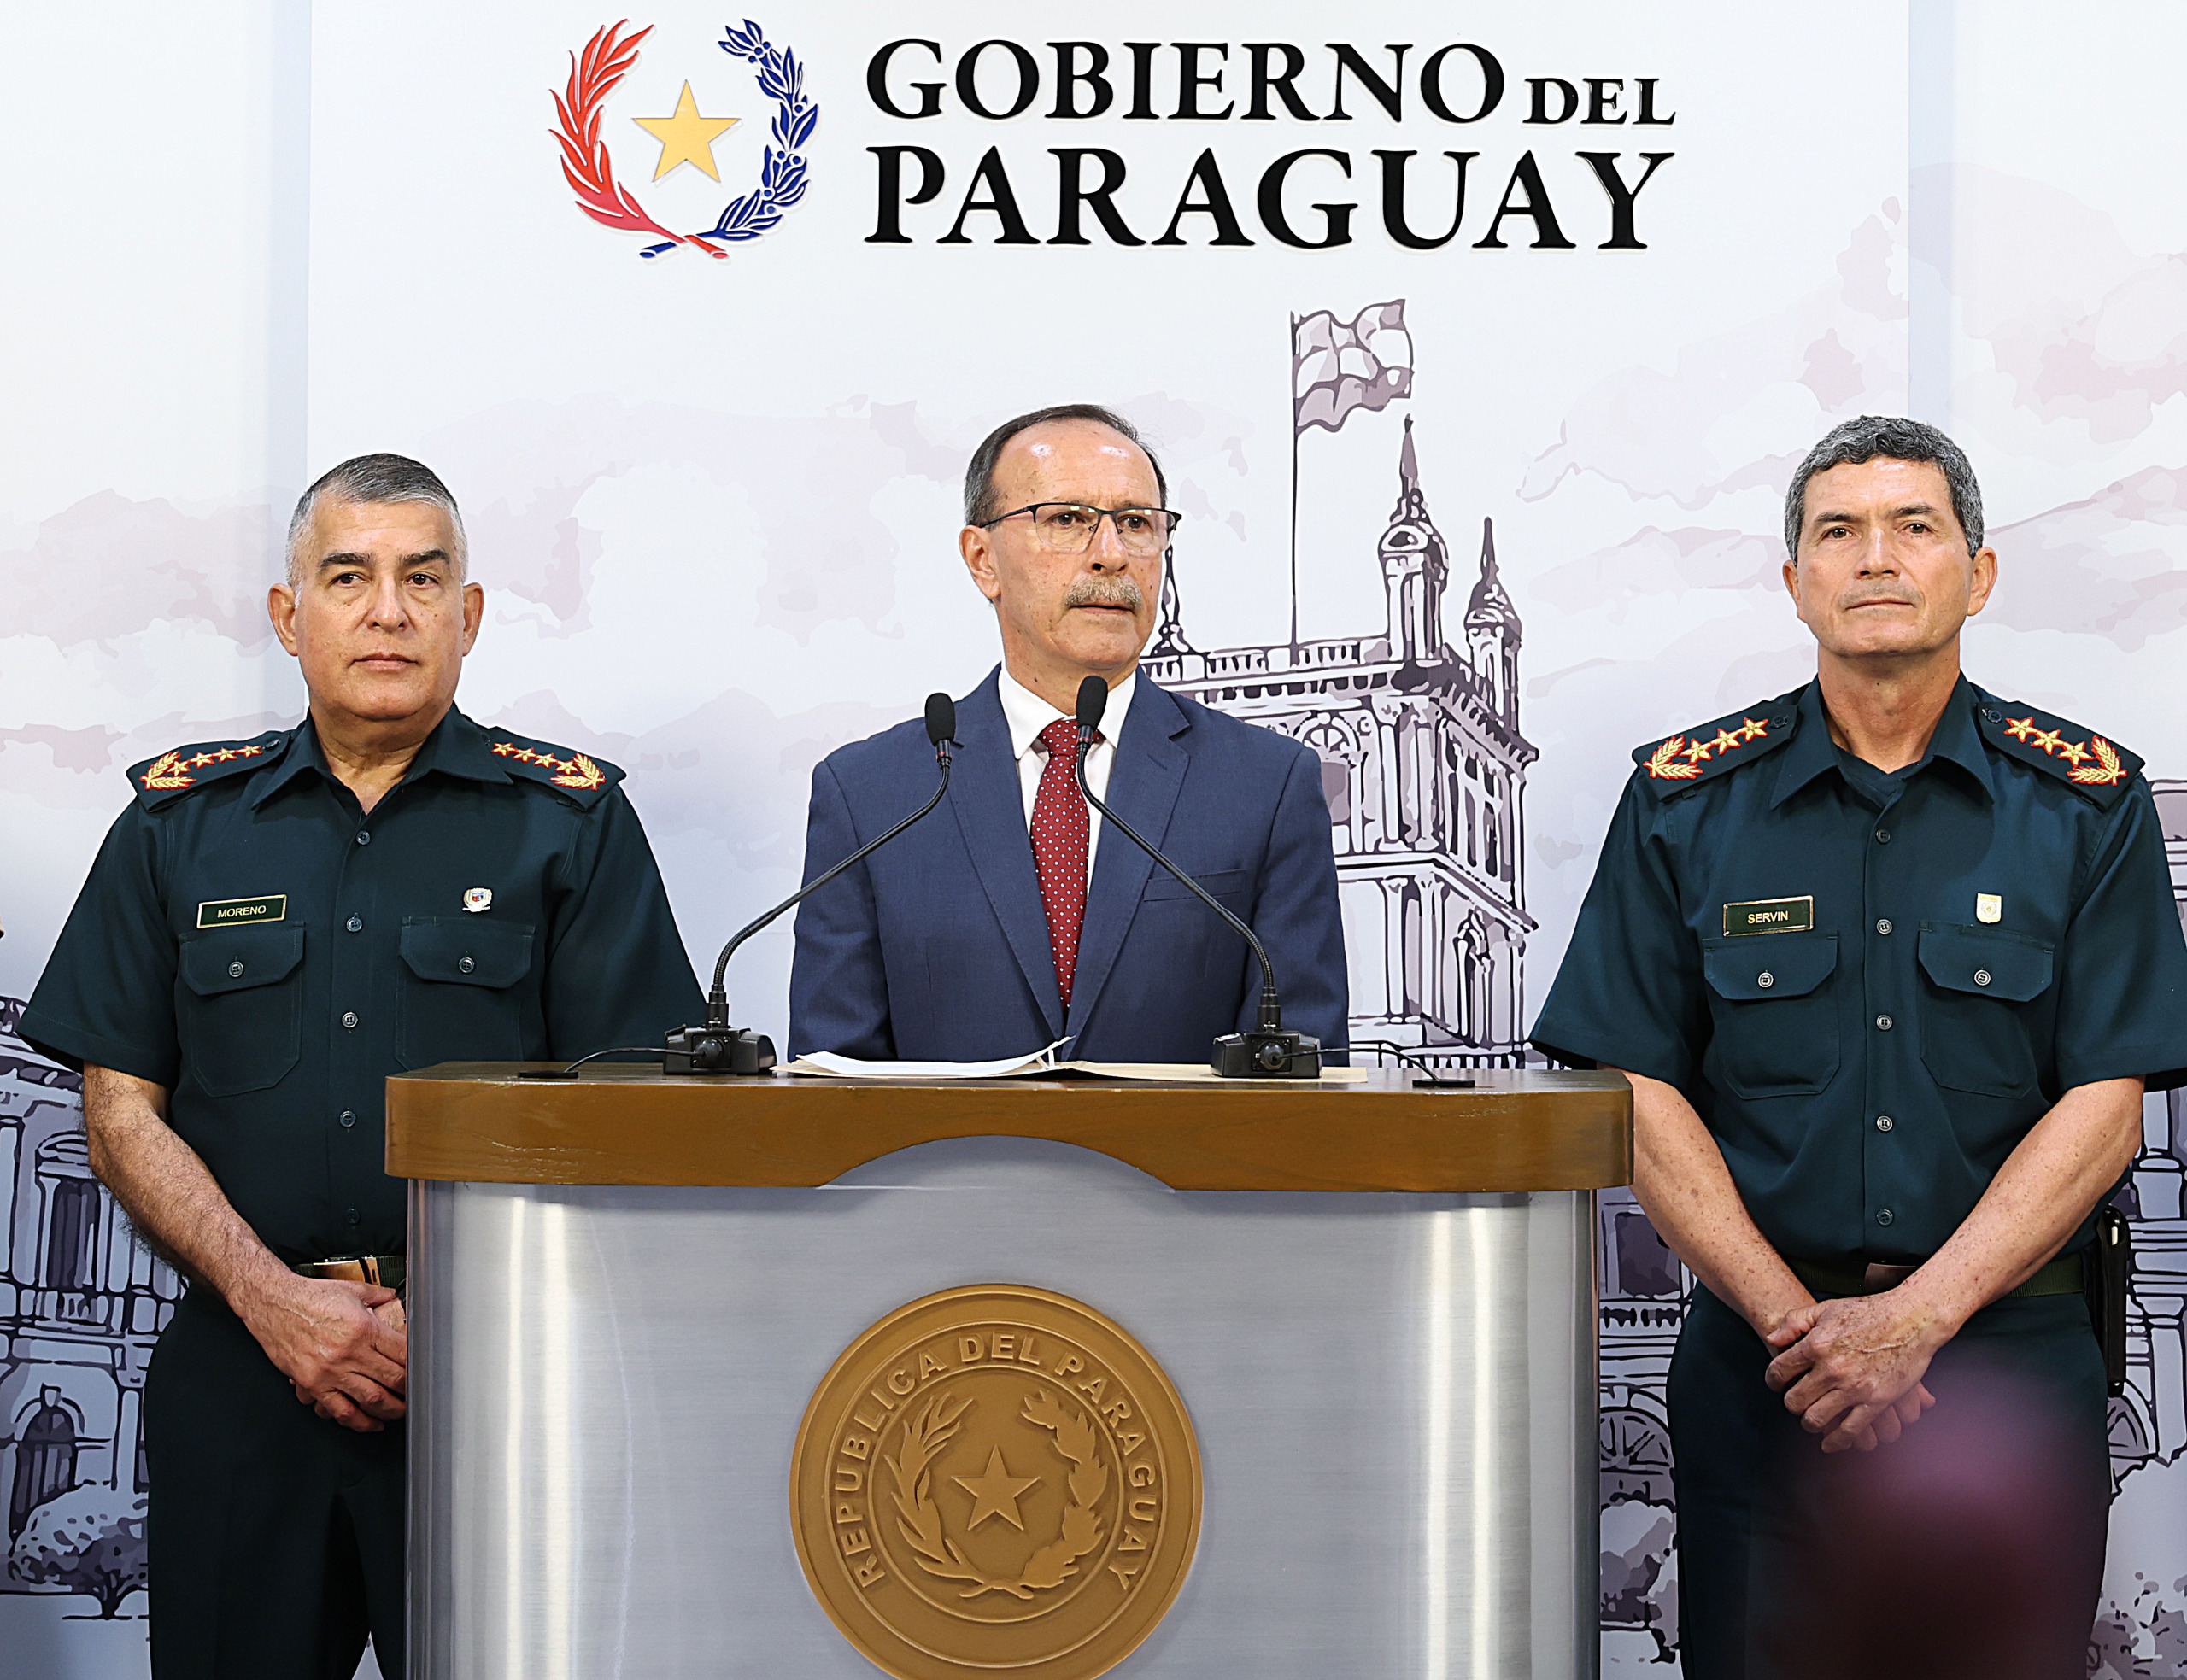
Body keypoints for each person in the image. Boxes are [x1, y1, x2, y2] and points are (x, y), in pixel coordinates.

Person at [21, 454, 703, 1678]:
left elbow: (635, 1116)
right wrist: (276, 1303)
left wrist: (446, 1317)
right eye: (348, 577)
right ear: (290, 616)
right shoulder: (179, 825)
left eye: (422, 579)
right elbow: (118, 1107)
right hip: (243, 1368)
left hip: (495, 1379)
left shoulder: (572, 825)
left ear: (467, 615)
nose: (388, 610)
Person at [1531, 415, 2187, 1679]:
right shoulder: (1684, 802)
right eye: (1838, 530)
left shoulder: (2083, 805)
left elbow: (2105, 1104)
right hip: (1767, 1369)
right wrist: (1809, 1330)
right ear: (1795, 582)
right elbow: (1638, 1088)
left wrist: (1914, 1320)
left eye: (1912, 525)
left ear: (1977, 574)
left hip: (2006, 1364)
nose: (1874, 555)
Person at [789, 403, 1346, 1063]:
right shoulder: (871, 795)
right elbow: (834, 1082)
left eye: (1136, 523)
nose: (1111, 555)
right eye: (1067, 520)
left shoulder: (1265, 785)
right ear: (982, 559)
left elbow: (1300, 1080)